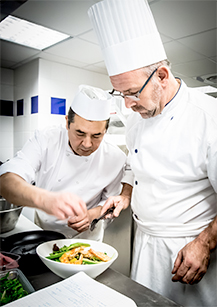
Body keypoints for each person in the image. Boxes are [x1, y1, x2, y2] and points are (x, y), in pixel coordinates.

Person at [88, 0, 217, 306]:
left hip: (190, 252)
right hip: (144, 244)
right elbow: (135, 164)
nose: (127, 105)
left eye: (132, 93)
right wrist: (126, 195)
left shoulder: (208, 118)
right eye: (120, 94)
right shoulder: (136, 119)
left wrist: (205, 243)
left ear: (161, 75)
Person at [0, 84, 126, 240]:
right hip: (44, 234)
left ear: (105, 131)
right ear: (67, 122)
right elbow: (6, 181)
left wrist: (92, 214)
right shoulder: (46, 139)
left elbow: (110, 201)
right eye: (80, 133)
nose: (87, 144)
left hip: (88, 239)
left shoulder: (116, 157)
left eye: (96, 136)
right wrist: (45, 199)